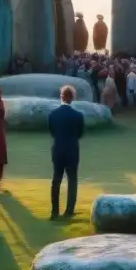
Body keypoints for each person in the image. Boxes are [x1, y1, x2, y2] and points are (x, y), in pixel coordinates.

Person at [47, 85, 84, 219]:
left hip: (58, 148)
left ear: (61, 96)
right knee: (72, 179)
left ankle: (54, 211)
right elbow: (80, 133)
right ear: (72, 98)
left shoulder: (53, 114)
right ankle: (69, 210)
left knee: (56, 179)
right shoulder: (78, 115)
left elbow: (52, 132)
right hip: (72, 149)